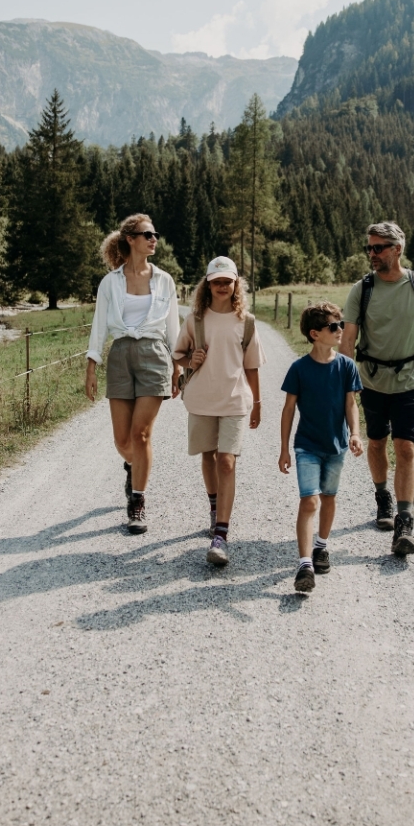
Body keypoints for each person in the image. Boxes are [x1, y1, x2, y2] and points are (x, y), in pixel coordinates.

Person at [340, 221, 414, 556]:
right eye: (369, 248)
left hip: (411, 380)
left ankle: (404, 520)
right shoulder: (363, 288)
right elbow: (347, 339)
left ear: (397, 249)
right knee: (376, 443)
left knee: (406, 447)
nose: (372, 254)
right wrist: (345, 384)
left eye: (378, 248)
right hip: (372, 380)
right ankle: (382, 496)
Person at [85, 213, 181, 534]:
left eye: (155, 234)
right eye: (147, 234)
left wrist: (178, 366)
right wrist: (91, 366)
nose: (154, 239)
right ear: (130, 239)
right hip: (120, 355)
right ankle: (132, 466)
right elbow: (99, 325)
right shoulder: (110, 282)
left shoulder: (164, 280)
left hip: (154, 355)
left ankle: (137, 502)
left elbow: (172, 328)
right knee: (123, 439)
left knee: (141, 435)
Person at [173, 256, 266, 567]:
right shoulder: (195, 320)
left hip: (235, 400)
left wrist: (257, 402)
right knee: (209, 456)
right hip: (201, 398)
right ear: (208, 285)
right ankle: (214, 507)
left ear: (236, 284)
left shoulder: (247, 322)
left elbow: (252, 367)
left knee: (226, 461)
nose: (222, 286)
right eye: (217, 282)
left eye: (228, 281)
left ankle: (221, 535)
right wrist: (191, 361)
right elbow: (180, 356)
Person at [279, 302, 364, 593]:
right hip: (307, 447)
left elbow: (350, 403)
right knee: (309, 501)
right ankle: (305, 565)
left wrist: (355, 433)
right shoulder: (299, 369)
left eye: (341, 324)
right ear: (315, 334)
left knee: (329, 497)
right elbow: (288, 409)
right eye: (333, 326)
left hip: (337, 445)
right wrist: (284, 449)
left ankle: (322, 546)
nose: (340, 330)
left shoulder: (346, 366)